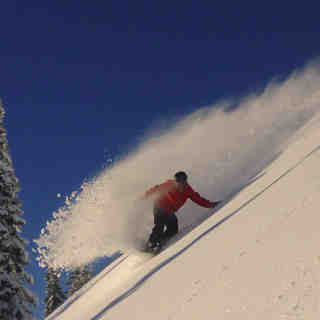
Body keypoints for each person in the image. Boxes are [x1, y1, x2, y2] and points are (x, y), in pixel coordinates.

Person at [144, 171, 220, 250]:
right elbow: (156, 189)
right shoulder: (169, 184)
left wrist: (211, 205)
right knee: (159, 225)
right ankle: (150, 244)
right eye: (179, 182)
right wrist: (145, 197)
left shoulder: (188, 190)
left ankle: (161, 241)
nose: (181, 185)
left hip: (169, 211)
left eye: (183, 182)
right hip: (159, 206)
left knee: (173, 228)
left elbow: (198, 199)